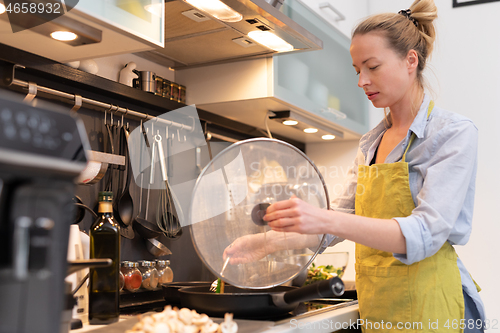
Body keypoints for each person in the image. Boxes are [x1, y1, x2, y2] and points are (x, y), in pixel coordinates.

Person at [225, 0, 485, 331]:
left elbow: (423, 234)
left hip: (434, 307)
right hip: (381, 308)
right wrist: (264, 244)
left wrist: (321, 216)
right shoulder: (370, 144)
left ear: (410, 60)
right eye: (356, 70)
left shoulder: (453, 134)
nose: (361, 81)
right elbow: (338, 224)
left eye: (372, 66)